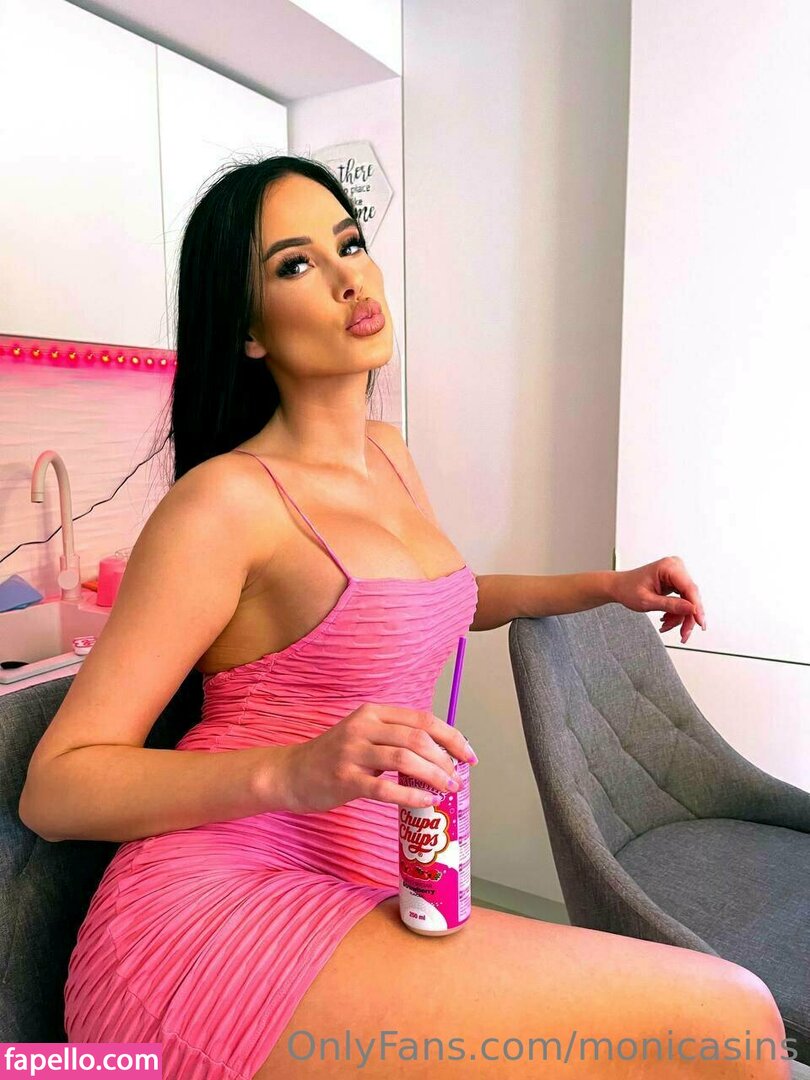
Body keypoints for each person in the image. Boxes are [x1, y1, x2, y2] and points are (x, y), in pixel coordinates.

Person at [22, 155, 790, 1079]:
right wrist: (293, 770)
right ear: (249, 330)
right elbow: (56, 789)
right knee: (730, 1020)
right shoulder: (223, 502)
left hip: (360, 881)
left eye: (350, 244)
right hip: (207, 925)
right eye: (296, 264)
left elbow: (437, 601)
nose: (348, 277)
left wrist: (605, 584)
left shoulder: (388, 453)